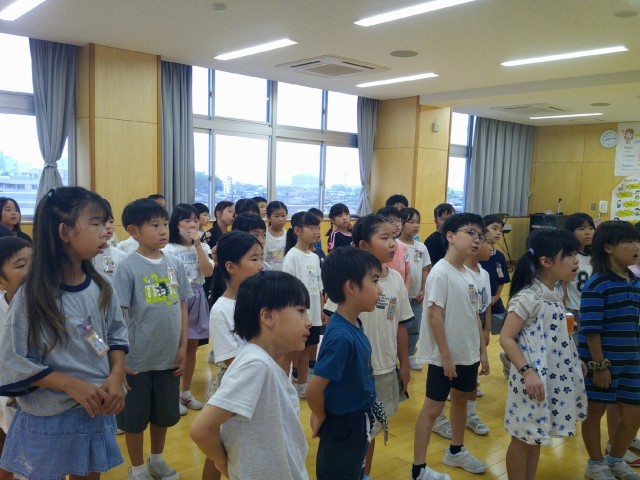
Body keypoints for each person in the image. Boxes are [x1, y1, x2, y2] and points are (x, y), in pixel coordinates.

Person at [0, 187, 128, 480]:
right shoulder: (32, 296)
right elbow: (12, 359)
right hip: (50, 419)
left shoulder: (102, 286)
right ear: (65, 231)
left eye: (105, 222)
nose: (105, 231)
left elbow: (115, 335)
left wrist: (116, 375)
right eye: (95, 223)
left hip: (95, 412)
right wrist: (70, 384)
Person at [190, 271, 311, 480]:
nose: (308, 321)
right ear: (268, 316)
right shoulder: (256, 365)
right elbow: (201, 429)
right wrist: (223, 462)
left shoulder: (265, 363)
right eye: (301, 311)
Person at [323, 214, 412, 479]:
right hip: (355, 373)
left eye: (393, 237)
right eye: (384, 238)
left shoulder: (395, 280)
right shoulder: (350, 280)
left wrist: (404, 365)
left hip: (385, 368)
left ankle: (365, 473)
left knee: (372, 428)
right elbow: (332, 320)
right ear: (363, 245)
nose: (393, 243)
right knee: (353, 428)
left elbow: (401, 325)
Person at [112, 198, 192, 480]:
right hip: (137, 361)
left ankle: (156, 459)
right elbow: (119, 316)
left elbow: (182, 305)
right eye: (154, 225)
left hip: (169, 358)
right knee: (134, 420)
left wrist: (183, 346)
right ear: (134, 231)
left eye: (164, 224)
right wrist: (118, 361)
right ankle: (137, 468)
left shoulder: (174, 264)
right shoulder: (127, 267)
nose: (162, 230)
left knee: (164, 415)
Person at [499, 229, 587, 480]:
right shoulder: (529, 297)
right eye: (568, 255)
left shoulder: (555, 293)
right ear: (546, 262)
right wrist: (528, 372)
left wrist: (574, 359)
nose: (576, 261)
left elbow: (558, 335)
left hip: (548, 379)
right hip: (531, 379)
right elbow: (506, 338)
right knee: (522, 438)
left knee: (535, 435)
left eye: (575, 254)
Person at [412, 213, 489, 480]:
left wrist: (482, 352)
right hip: (444, 357)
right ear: (451, 236)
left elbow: (475, 315)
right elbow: (435, 316)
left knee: (460, 400)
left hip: (467, 353)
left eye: (480, 236)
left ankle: (456, 451)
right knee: (433, 409)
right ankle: (418, 468)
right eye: (471, 233)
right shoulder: (440, 272)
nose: (477, 240)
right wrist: (445, 356)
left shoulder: (469, 275)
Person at [307, 247, 385, 480]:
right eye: (374, 281)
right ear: (351, 287)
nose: (380, 288)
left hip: (357, 421)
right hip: (343, 427)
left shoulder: (354, 323)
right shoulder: (341, 336)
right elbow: (313, 390)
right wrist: (320, 416)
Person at [578, 221, 640, 480]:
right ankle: (595, 463)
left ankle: (615, 459)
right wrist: (600, 366)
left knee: (633, 415)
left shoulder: (634, 281)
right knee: (594, 413)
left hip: (631, 360)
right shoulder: (597, 284)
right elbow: (591, 330)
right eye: (629, 241)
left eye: (637, 241)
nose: (636, 246)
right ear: (608, 248)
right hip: (601, 362)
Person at [202, 231, 264, 480]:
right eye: (254, 259)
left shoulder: (261, 300)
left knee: (251, 444)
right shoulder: (221, 309)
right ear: (231, 266)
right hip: (234, 385)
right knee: (220, 451)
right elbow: (231, 360)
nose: (261, 265)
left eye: (261, 258)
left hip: (260, 381)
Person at [163, 204, 214, 415]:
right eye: (187, 221)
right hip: (176, 299)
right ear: (176, 224)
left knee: (192, 346)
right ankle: (171, 394)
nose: (192, 225)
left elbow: (208, 272)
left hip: (197, 295)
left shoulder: (203, 247)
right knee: (175, 346)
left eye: (195, 220)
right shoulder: (168, 249)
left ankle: (186, 391)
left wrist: (198, 246)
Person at [0, 237, 32, 480]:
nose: (32, 270)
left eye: (35, 262)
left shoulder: (53, 301)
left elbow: (88, 332)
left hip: (48, 399)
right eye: (21, 265)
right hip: (9, 398)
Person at [283, 211, 324, 399]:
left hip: (314, 312)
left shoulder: (314, 256)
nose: (316, 231)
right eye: (312, 227)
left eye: (318, 228)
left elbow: (319, 286)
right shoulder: (292, 256)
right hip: (299, 313)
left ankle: (301, 383)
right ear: (298, 230)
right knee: (294, 349)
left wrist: (321, 308)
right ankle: (290, 383)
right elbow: (288, 288)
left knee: (307, 349)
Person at [462, 226, 493, 435]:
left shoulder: (484, 274)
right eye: (485, 242)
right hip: (463, 326)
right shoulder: (460, 273)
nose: (490, 247)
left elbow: (486, 304)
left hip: (478, 325)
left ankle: (471, 414)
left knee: (473, 371)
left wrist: (487, 328)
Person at [398, 207, 431, 371]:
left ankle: (410, 354)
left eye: (418, 222)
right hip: (400, 296)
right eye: (411, 222)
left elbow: (425, 270)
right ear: (401, 223)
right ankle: (395, 355)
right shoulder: (396, 245)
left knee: (414, 328)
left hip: (416, 297)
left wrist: (423, 290)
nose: (415, 225)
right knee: (398, 327)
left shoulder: (421, 247)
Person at [479, 214, 512, 377]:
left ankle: (509, 358)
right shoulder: (477, 255)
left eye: (501, 229)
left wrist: (497, 296)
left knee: (508, 332)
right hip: (479, 305)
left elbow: (502, 280)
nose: (498, 232)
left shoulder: (499, 257)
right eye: (494, 228)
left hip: (495, 303)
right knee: (479, 338)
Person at [563, 213, 595, 335]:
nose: (587, 232)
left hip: (590, 307)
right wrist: (564, 308)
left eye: (591, 228)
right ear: (571, 232)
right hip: (573, 307)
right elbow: (563, 284)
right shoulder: (570, 256)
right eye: (582, 229)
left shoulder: (595, 256)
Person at [377, 206, 411, 291]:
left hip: (400, 292)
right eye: (392, 221)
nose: (397, 224)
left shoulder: (404, 247)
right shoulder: (379, 248)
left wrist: (404, 292)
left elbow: (408, 274)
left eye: (399, 220)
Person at [92, 201, 127, 281]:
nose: (108, 226)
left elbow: (110, 277)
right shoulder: (83, 256)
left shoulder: (120, 255)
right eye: (103, 222)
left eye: (111, 221)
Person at [263, 201, 288, 271]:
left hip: (283, 274)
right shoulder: (263, 234)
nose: (280, 219)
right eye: (276, 216)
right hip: (267, 274)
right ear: (268, 217)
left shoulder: (288, 235)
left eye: (283, 216)